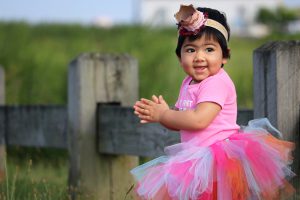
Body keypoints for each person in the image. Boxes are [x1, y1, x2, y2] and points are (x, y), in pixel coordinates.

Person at [131, 4, 295, 200]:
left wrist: (164, 115)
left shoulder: (216, 82)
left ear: (224, 55)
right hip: (195, 160)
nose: (199, 57)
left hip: (219, 161)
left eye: (209, 49)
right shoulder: (188, 82)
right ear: (179, 56)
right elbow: (183, 120)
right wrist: (165, 114)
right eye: (190, 50)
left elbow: (199, 120)